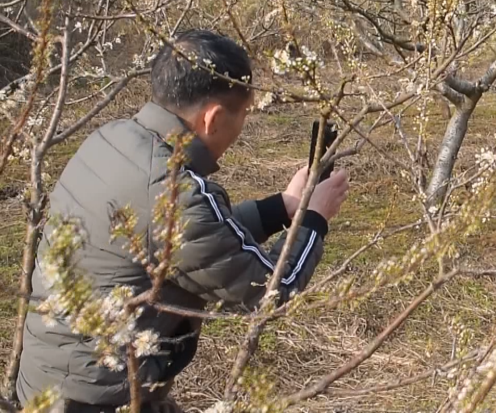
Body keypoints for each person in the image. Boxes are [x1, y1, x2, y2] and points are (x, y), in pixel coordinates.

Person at [16, 29, 349, 412]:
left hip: (50, 384)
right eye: (243, 115)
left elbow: (185, 242)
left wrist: (283, 206)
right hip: (105, 400)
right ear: (213, 118)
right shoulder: (177, 193)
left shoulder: (111, 139)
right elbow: (274, 291)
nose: (242, 128)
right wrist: (314, 220)